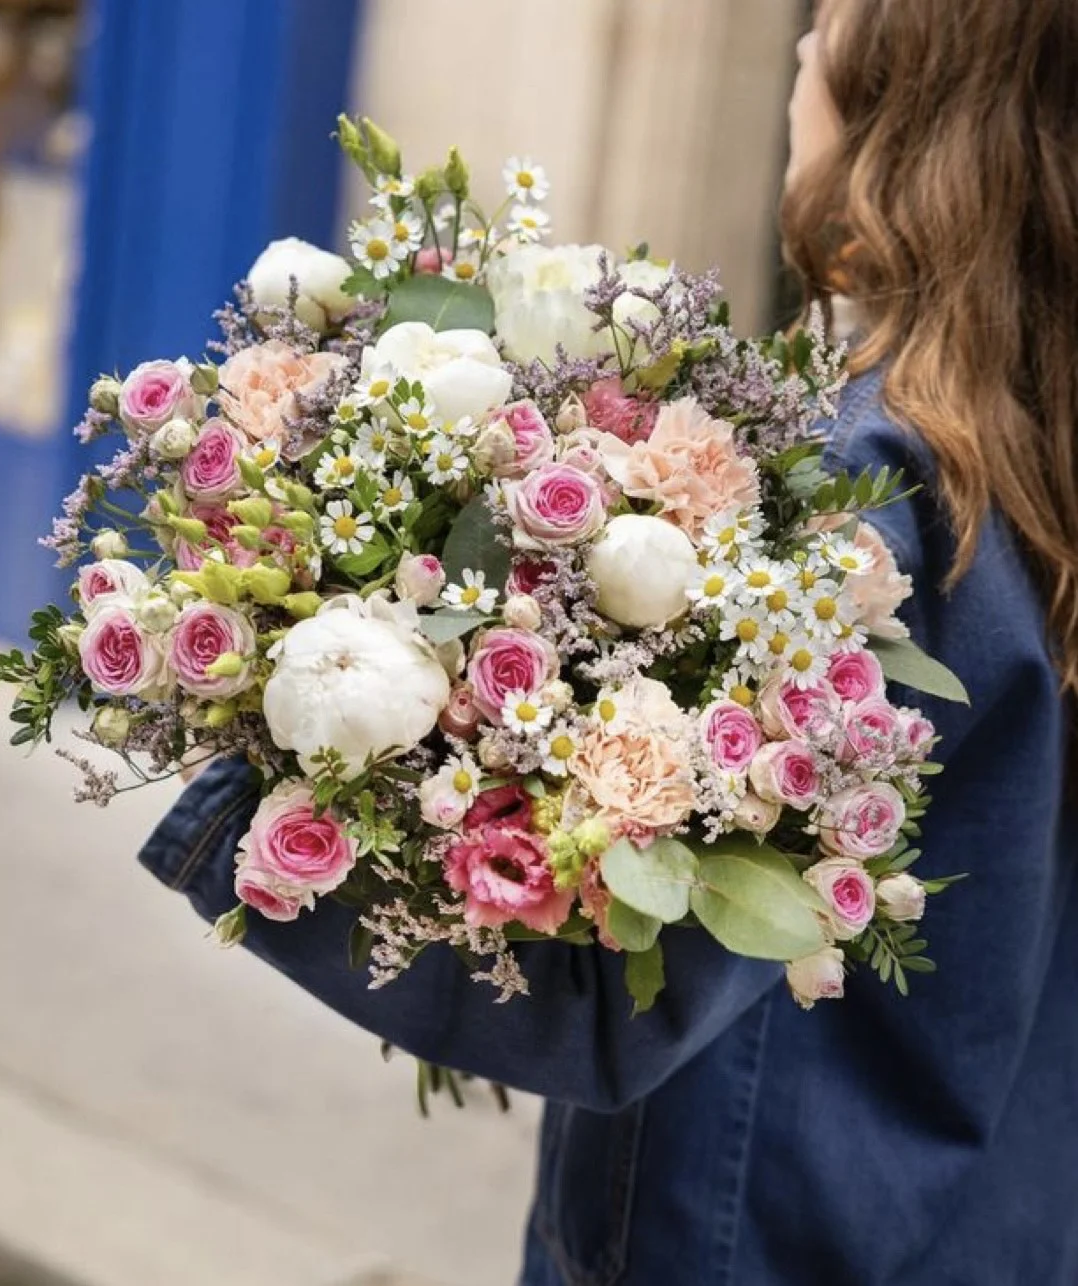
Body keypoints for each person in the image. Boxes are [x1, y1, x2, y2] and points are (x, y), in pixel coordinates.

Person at [139, 1, 1078, 1280]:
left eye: (835, 20)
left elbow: (619, 1009)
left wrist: (259, 771)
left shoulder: (884, 491)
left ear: (911, 101)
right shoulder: (1035, 462)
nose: (801, 45)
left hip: (758, 1230)